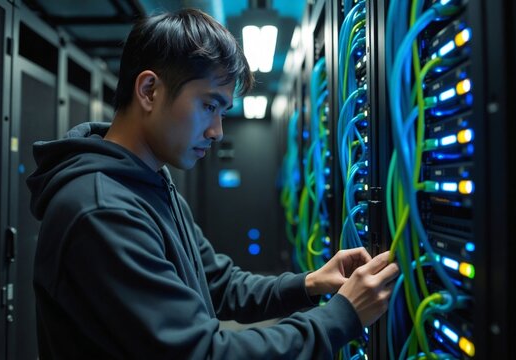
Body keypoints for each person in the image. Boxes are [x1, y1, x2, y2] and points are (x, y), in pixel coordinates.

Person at [27, 8, 399, 359]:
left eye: (223, 112)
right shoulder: (101, 210)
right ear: (149, 91)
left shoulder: (151, 181)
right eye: (209, 105)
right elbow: (205, 353)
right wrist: (343, 315)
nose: (217, 131)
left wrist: (310, 283)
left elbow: (220, 285)